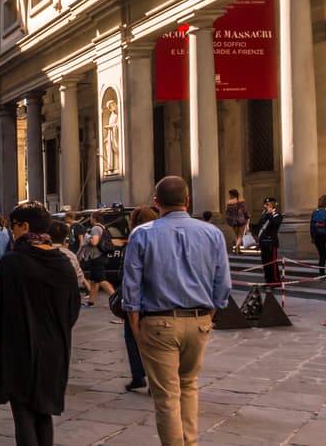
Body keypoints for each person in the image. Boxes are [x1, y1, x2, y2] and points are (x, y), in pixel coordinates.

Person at [122, 176, 231, 446]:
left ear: (156, 202)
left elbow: (131, 285)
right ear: (188, 200)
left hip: (158, 322)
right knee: (189, 386)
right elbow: (223, 283)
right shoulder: (212, 233)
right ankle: (189, 442)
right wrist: (209, 316)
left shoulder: (142, 233)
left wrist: (135, 325)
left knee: (167, 397)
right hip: (199, 320)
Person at [0, 202, 81, 446]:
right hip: (54, 349)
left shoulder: (13, 262)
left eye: (13, 226)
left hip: (18, 348)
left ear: (24, 226)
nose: (12, 231)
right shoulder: (63, 263)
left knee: (23, 412)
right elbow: (73, 309)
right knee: (43, 411)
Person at [120, 205, 159, 393]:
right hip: (158, 300)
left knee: (133, 337)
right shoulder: (162, 238)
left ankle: (139, 376)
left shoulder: (136, 238)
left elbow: (130, 276)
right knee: (156, 343)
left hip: (139, 300)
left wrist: (129, 305)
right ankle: (153, 379)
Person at [78, 213, 116, 307]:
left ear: (94, 219)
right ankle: (91, 301)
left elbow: (94, 242)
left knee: (101, 280)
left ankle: (116, 299)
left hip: (97, 257)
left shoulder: (95, 228)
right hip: (100, 256)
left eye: (90, 218)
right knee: (94, 280)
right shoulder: (102, 227)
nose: (90, 220)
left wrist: (87, 237)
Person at [256, 197, 283, 289]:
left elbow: (274, 224)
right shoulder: (264, 214)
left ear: (273, 205)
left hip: (271, 242)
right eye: (266, 204)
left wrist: (269, 214)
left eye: (268, 204)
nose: (266, 206)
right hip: (263, 242)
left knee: (272, 263)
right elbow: (260, 225)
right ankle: (268, 281)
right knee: (265, 263)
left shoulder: (277, 215)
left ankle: (275, 281)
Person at [224, 189, 249, 254]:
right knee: (240, 236)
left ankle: (238, 249)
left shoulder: (229, 203)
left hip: (233, 221)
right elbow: (245, 211)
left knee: (236, 236)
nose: (229, 195)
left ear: (232, 194)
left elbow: (227, 214)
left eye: (230, 194)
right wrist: (247, 218)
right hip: (241, 220)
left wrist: (228, 221)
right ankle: (236, 248)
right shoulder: (242, 201)